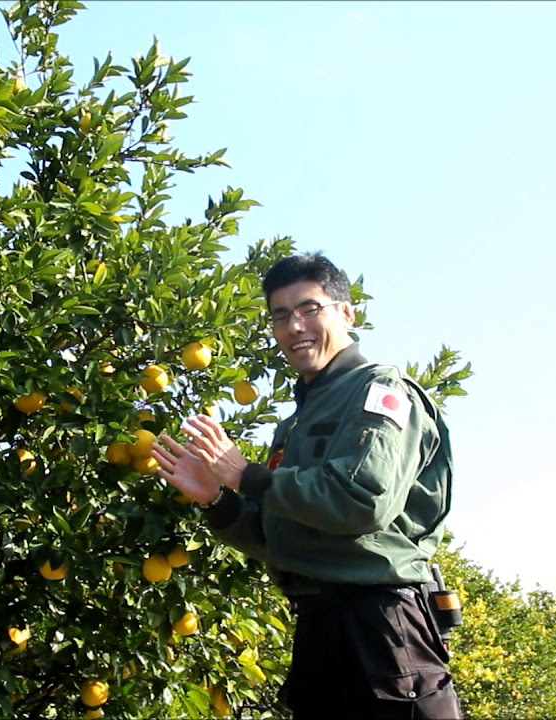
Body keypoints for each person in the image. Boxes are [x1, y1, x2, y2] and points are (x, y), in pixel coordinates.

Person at [151, 252, 462, 719]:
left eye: (309, 309)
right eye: (281, 316)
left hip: (380, 628)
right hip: (320, 629)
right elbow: (281, 537)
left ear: (347, 313)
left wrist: (246, 476)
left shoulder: (379, 391)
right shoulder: (295, 424)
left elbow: (362, 501)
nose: (295, 326)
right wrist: (217, 499)